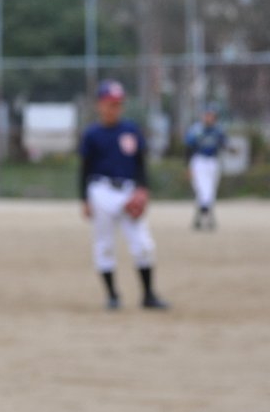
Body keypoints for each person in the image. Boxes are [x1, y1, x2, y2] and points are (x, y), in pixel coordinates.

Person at [79, 80, 168, 311]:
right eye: (110, 103)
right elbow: (85, 169)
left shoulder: (130, 130)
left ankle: (148, 295)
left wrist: (143, 188)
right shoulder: (92, 134)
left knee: (143, 244)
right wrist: (84, 199)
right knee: (105, 245)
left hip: (128, 191)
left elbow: (140, 164)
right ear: (100, 105)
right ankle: (112, 296)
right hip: (101, 191)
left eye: (118, 104)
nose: (114, 108)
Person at [185, 103, 226, 231]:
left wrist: (231, 149)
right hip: (199, 161)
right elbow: (188, 148)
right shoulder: (196, 130)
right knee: (202, 188)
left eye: (211, 116)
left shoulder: (218, 130)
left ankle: (202, 216)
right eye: (207, 115)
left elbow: (224, 143)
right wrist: (187, 166)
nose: (208, 118)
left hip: (213, 162)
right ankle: (205, 213)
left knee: (210, 190)